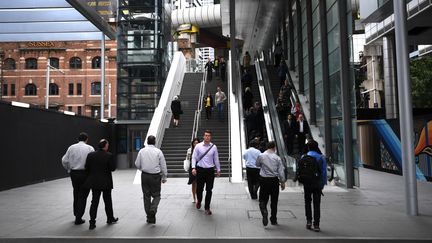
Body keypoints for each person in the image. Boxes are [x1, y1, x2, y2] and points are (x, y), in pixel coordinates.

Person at [84, 139, 118, 230]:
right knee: (108, 201)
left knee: (94, 202)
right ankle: (110, 218)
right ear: (105, 146)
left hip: (94, 182)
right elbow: (112, 168)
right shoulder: (109, 155)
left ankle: (92, 222)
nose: (108, 146)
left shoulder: (91, 155)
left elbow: (86, 167)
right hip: (106, 182)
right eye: (108, 145)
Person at [61, 132, 95, 225]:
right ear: (87, 139)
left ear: (78, 139)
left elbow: (64, 160)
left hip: (74, 173)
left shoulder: (71, 147)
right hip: (85, 174)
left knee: (76, 193)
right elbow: (93, 161)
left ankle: (76, 213)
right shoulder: (90, 148)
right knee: (83, 195)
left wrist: (68, 168)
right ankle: (79, 217)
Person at [135, 135, 168, 224]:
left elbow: (137, 164)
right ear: (155, 142)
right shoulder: (158, 151)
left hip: (145, 176)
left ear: (147, 141)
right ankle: (153, 209)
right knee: (157, 195)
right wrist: (164, 176)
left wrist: (143, 169)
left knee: (146, 196)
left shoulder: (142, 151)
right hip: (155, 176)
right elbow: (163, 165)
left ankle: (149, 217)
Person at [255, 141, 286, 226]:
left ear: (267, 147)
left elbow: (257, 164)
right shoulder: (277, 158)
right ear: (274, 147)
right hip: (274, 181)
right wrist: (282, 182)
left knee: (262, 199)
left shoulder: (261, 156)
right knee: (274, 201)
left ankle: (264, 211)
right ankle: (273, 219)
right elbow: (281, 171)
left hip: (264, 180)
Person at [299, 140, 327, 232]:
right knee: (316, 204)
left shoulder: (303, 156)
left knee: (307, 202)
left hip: (307, 183)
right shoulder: (321, 157)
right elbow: (323, 172)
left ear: (308, 147)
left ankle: (308, 221)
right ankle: (316, 224)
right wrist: (322, 184)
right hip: (317, 183)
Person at [191, 130, 221, 215]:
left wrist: (218, 169)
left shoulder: (214, 147)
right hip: (200, 170)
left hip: (210, 171)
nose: (207, 137)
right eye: (205, 135)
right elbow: (193, 157)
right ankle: (199, 201)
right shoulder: (198, 146)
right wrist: (193, 168)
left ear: (210, 137)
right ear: (203, 136)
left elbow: (216, 159)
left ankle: (207, 207)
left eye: (208, 136)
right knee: (199, 189)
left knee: (209, 189)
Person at [186, 138, 201, 203]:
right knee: (193, 183)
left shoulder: (201, 150)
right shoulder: (189, 150)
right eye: (195, 143)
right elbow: (187, 159)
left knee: (198, 183)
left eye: (197, 143)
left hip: (200, 168)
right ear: (192, 143)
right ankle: (194, 198)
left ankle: (198, 197)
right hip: (192, 168)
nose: (196, 144)